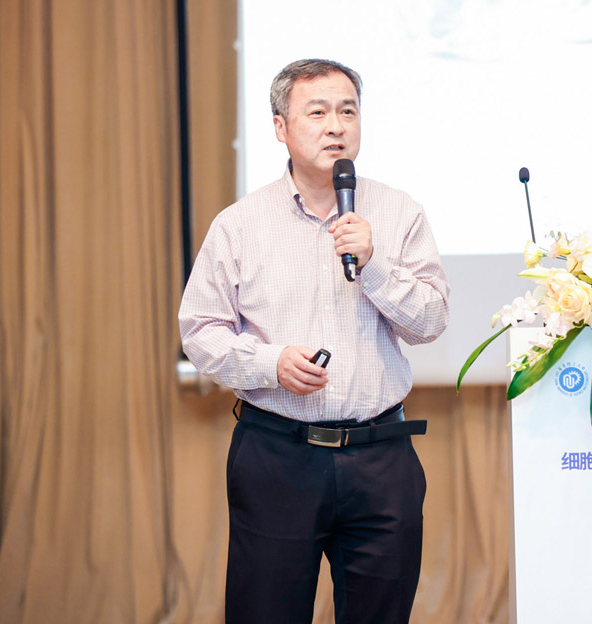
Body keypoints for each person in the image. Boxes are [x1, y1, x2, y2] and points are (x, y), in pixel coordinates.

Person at [178, 58, 450, 624]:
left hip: (381, 457)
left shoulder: (399, 213)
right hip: (278, 456)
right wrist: (269, 363)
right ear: (281, 127)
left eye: (348, 111)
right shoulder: (240, 224)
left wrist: (374, 265)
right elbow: (200, 329)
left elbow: (428, 322)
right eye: (318, 112)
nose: (336, 126)